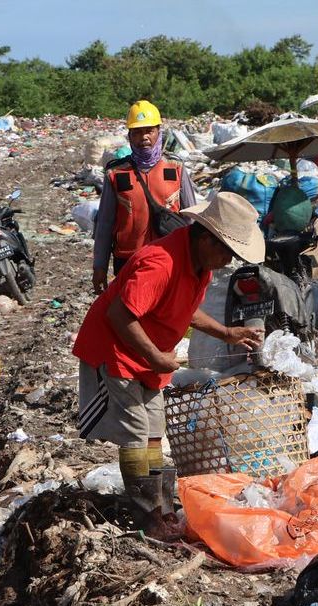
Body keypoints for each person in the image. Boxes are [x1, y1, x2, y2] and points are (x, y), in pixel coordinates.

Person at [73, 192, 266, 535]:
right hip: (117, 349)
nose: (227, 261)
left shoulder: (200, 266)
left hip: (149, 355)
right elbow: (119, 314)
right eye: (226, 252)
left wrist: (226, 333)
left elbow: (184, 308)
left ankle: (161, 508)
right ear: (206, 238)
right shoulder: (160, 263)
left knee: (153, 432)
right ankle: (148, 517)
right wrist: (155, 356)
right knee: (135, 433)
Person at [92, 100, 197, 294]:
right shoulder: (116, 173)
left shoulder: (175, 168)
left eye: (149, 131)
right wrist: (100, 266)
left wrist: (195, 262)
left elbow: (191, 217)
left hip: (170, 257)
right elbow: (105, 224)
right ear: (130, 136)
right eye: (137, 132)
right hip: (129, 260)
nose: (144, 137)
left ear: (159, 132)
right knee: (130, 308)